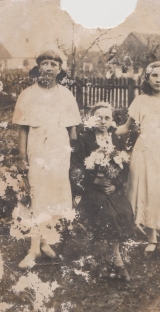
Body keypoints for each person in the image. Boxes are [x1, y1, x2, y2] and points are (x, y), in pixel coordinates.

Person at [12, 45, 81, 269]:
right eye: (45, 63)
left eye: (53, 64)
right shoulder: (28, 94)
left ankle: (44, 242)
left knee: (55, 197)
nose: (49, 68)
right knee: (38, 196)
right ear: (38, 67)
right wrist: (22, 158)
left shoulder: (66, 95)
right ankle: (33, 249)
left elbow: (72, 131)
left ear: (60, 68)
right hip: (37, 150)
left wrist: (74, 159)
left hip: (60, 151)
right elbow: (22, 129)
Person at [116, 61, 160, 261]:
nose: (158, 79)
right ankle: (151, 240)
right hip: (144, 154)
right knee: (148, 193)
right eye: (154, 75)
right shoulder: (140, 101)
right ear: (147, 78)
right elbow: (127, 127)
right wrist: (100, 131)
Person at [72, 102, 134, 281]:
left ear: (112, 121)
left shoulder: (115, 139)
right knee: (108, 214)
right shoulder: (85, 139)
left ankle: (113, 257)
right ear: (92, 119)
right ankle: (117, 260)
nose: (103, 121)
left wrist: (115, 185)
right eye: (99, 117)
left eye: (107, 118)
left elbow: (124, 167)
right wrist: (94, 180)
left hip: (111, 189)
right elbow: (76, 168)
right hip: (91, 190)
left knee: (124, 211)